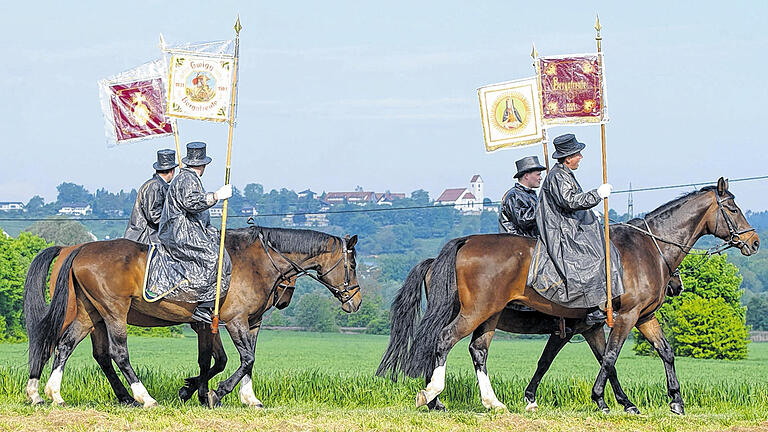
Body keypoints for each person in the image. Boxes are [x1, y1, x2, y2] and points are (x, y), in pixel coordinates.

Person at [535, 133, 622, 325]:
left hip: (567, 223)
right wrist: (597, 194)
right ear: (568, 158)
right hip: (559, 229)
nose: (581, 157)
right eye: (578, 154)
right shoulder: (558, 176)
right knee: (593, 256)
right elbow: (569, 201)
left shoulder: (564, 174)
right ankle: (590, 307)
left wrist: (590, 215)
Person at [158, 141, 233, 323]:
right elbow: (192, 203)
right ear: (203, 164)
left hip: (189, 229)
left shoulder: (190, 178)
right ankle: (201, 304)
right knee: (212, 256)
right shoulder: (187, 179)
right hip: (180, 232)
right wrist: (216, 196)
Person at [124, 149, 178, 244]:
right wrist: (176, 222)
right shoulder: (155, 186)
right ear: (172, 171)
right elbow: (154, 215)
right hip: (147, 238)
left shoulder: (159, 185)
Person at [499, 156, 546, 237]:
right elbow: (524, 221)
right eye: (538, 175)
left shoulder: (530, 194)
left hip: (529, 242)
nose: (540, 178)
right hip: (516, 244)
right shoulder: (514, 196)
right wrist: (545, 207)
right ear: (526, 176)